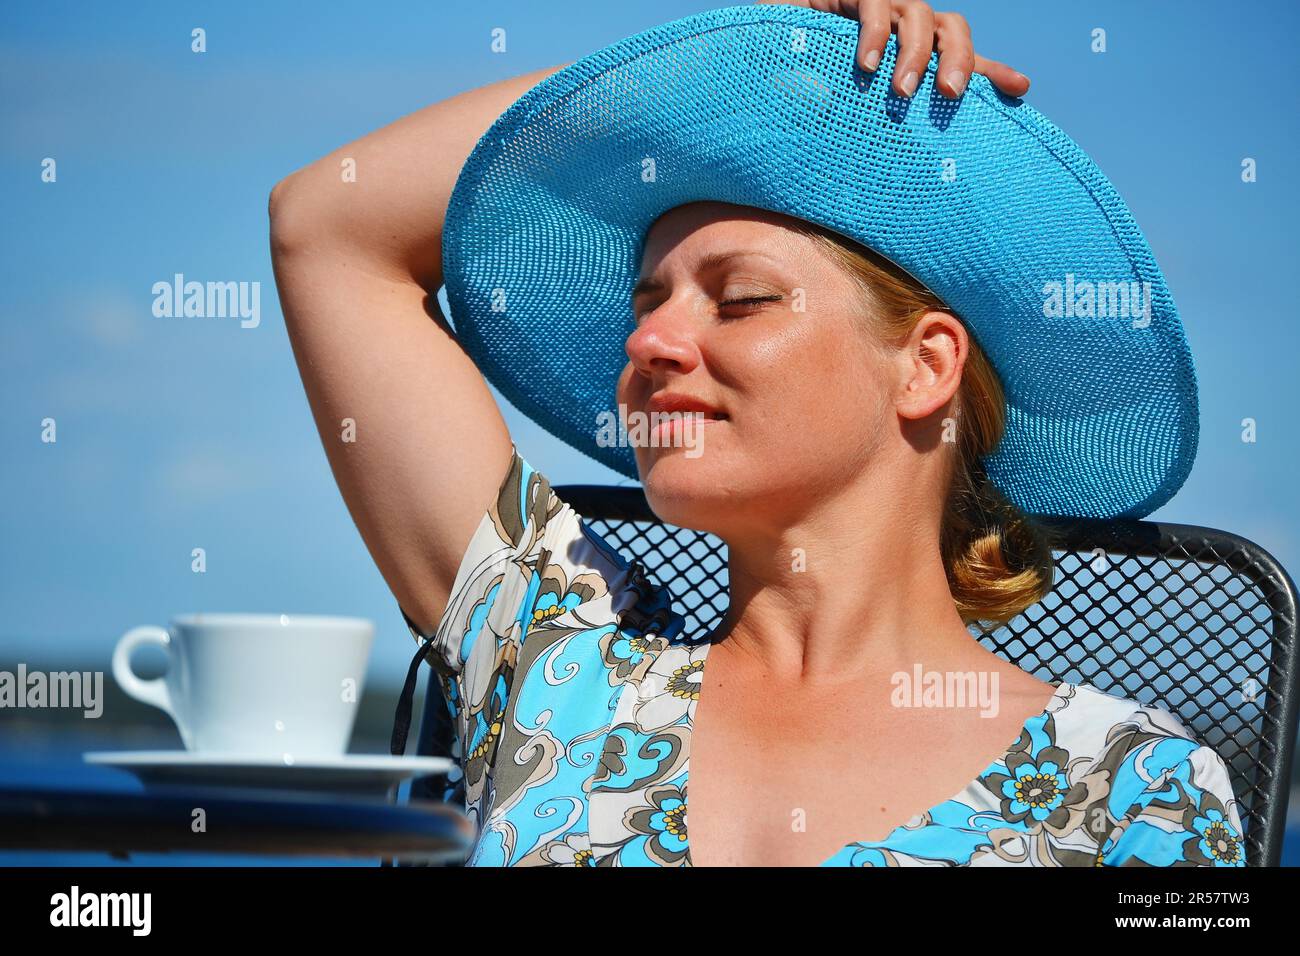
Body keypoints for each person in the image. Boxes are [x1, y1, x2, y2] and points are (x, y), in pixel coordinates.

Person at [268, 1, 1246, 867]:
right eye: (644, 304)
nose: (648, 339)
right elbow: (327, 225)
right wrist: (743, 49)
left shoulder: (1130, 794)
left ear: (927, 366)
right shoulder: (554, 648)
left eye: (737, 300)